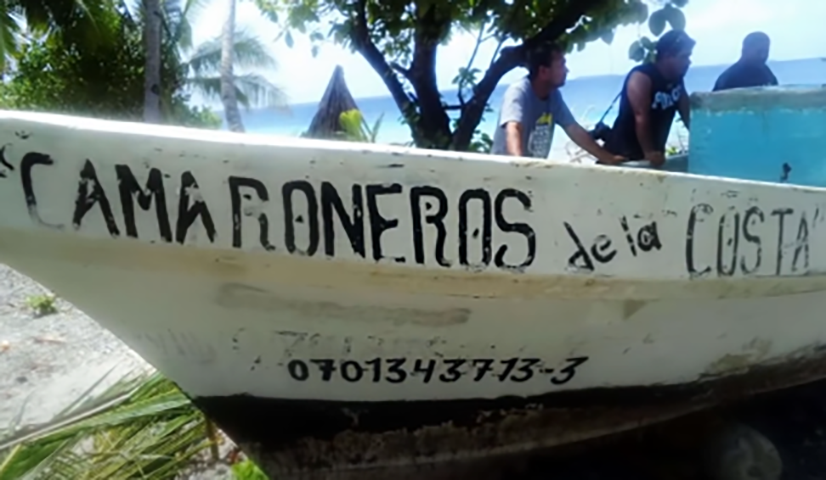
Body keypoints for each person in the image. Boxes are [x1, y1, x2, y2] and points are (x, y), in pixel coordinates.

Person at [491, 42, 625, 164]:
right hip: (505, 172)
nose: (566, 70)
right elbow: (514, 128)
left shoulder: (553, 95)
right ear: (543, 71)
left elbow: (573, 129)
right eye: (561, 65)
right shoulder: (518, 92)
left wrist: (608, 158)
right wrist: (519, 166)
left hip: (531, 171)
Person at [603, 29, 694, 167]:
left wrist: (703, 142)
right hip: (624, 156)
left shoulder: (677, 80)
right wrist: (649, 152)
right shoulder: (642, 77)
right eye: (684, 57)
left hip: (655, 155)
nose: (688, 62)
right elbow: (640, 117)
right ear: (667, 56)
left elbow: (687, 115)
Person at [712, 32, 778, 91]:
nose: (763, 56)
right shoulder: (729, 78)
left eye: (766, 51)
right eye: (759, 52)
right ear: (745, 50)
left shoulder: (766, 73)